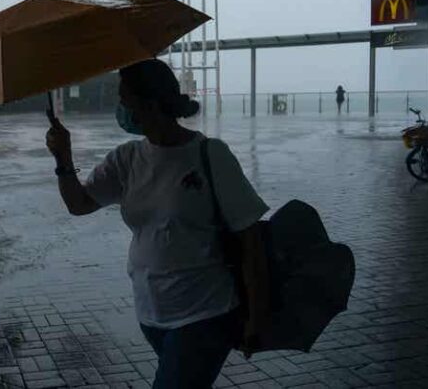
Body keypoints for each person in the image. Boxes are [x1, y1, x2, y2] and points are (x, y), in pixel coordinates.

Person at [46, 59, 271, 389]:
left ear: (149, 104)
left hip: (205, 313)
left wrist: (257, 315)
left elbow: (250, 240)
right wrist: (63, 159)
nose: (120, 109)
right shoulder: (127, 159)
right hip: (152, 315)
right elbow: (79, 204)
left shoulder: (210, 155)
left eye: (125, 101)